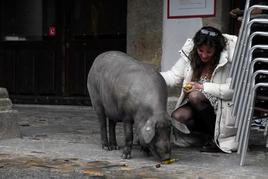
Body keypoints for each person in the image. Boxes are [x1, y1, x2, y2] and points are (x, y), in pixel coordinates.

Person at [161, 26, 238, 153]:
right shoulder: (192, 55)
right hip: (199, 108)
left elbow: (232, 91)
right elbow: (173, 76)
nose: (204, 55)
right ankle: (204, 137)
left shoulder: (228, 60)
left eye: (209, 52)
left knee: (195, 96)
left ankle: (216, 139)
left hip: (222, 110)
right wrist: (152, 77)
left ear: (217, 50)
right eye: (200, 50)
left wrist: (202, 87)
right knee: (177, 116)